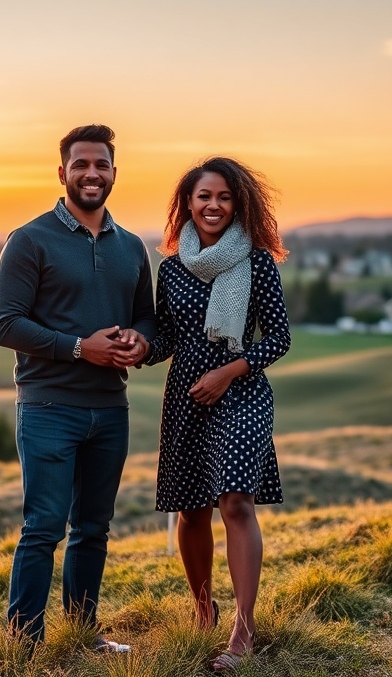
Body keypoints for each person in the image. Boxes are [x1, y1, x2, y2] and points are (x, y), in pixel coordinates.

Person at [0, 124, 155, 650]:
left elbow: (147, 318)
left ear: (114, 173)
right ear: (62, 172)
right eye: (80, 164)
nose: (91, 173)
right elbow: (7, 325)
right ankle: (24, 644)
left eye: (101, 164)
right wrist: (82, 348)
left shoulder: (132, 247)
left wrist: (140, 341)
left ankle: (83, 637)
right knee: (43, 527)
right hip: (48, 407)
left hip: (110, 408)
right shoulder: (29, 240)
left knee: (93, 527)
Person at [139, 156, 291, 672]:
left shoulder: (257, 263)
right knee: (191, 509)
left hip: (242, 391)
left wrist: (228, 372)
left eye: (224, 197)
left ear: (238, 204)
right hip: (186, 394)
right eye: (204, 196)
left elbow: (279, 339)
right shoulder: (172, 268)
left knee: (236, 503)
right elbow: (166, 337)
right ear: (188, 202)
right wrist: (140, 346)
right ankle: (204, 611)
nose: (214, 205)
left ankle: (243, 630)